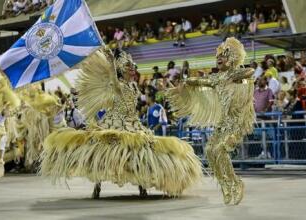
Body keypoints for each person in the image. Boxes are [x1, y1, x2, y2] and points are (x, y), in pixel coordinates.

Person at [40, 48, 202, 199]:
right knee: (108, 149)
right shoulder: (116, 85)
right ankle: (98, 185)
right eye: (128, 66)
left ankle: (142, 185)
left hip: (133, 122)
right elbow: (115, 83)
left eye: (134, 66)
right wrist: (110, 63)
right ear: (121, 69)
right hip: (116, 122)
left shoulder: (133, 86)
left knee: (141, 150)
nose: (133, 68)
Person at [168, 37, 255, 205]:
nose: (219, 59)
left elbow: (250, 71)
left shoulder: (233, 74)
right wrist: (185, 82)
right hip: (223, 124)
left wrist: (234, 74)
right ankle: (224, 184)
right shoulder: (216, 78)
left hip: (236, 122)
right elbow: (199, 81)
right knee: (209, 151)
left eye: (223, 56)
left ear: (231, 59)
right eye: (217, 57)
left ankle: (236, 183)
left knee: (221, 150)